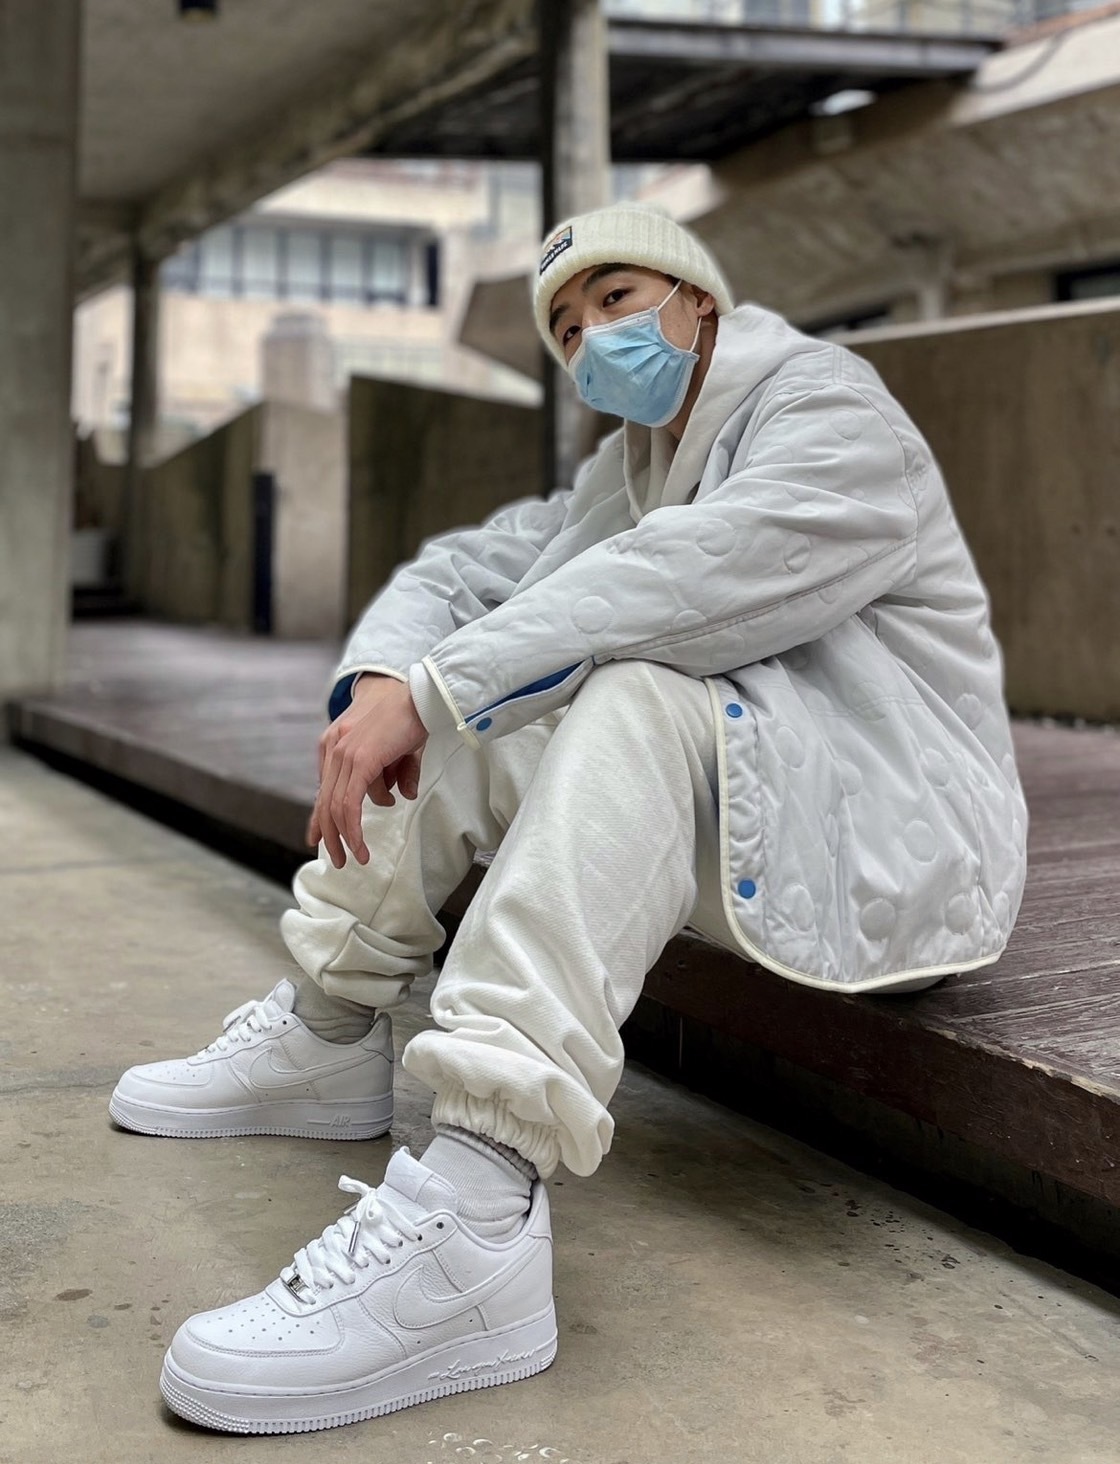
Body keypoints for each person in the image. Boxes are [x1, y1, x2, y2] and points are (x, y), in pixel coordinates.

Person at [111, 203, 1028, 1435]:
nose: (593, 336)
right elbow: (468, 571)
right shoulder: (631, 467)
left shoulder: (827, 408)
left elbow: (692, 578)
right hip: (767, 811)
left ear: (697, 300)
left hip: (896, 840)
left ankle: (478, 1217)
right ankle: (328, 1030)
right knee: (488, 695)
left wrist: (441, 686)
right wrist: (387, 680)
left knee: (612, 683)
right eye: (567, 325)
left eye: (616, 297)